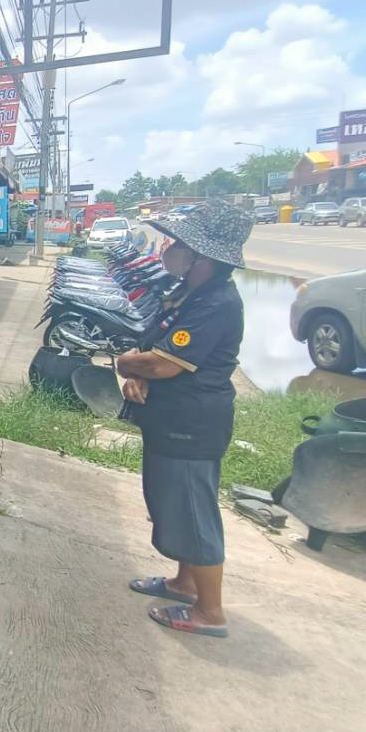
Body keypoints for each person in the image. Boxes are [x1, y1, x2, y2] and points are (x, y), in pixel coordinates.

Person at [116, 200, 252, 639]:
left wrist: (128, 365)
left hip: (192, 423)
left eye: (178, 244)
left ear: (201, 257)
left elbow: (163, 363)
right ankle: (184, 583)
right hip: (172, 416)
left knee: (194, 514)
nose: (169, 250)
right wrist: (140, 376)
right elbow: (158, 349)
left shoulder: (217, 302)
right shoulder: (191, 293)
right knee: (175, 506)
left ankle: (210, 612)